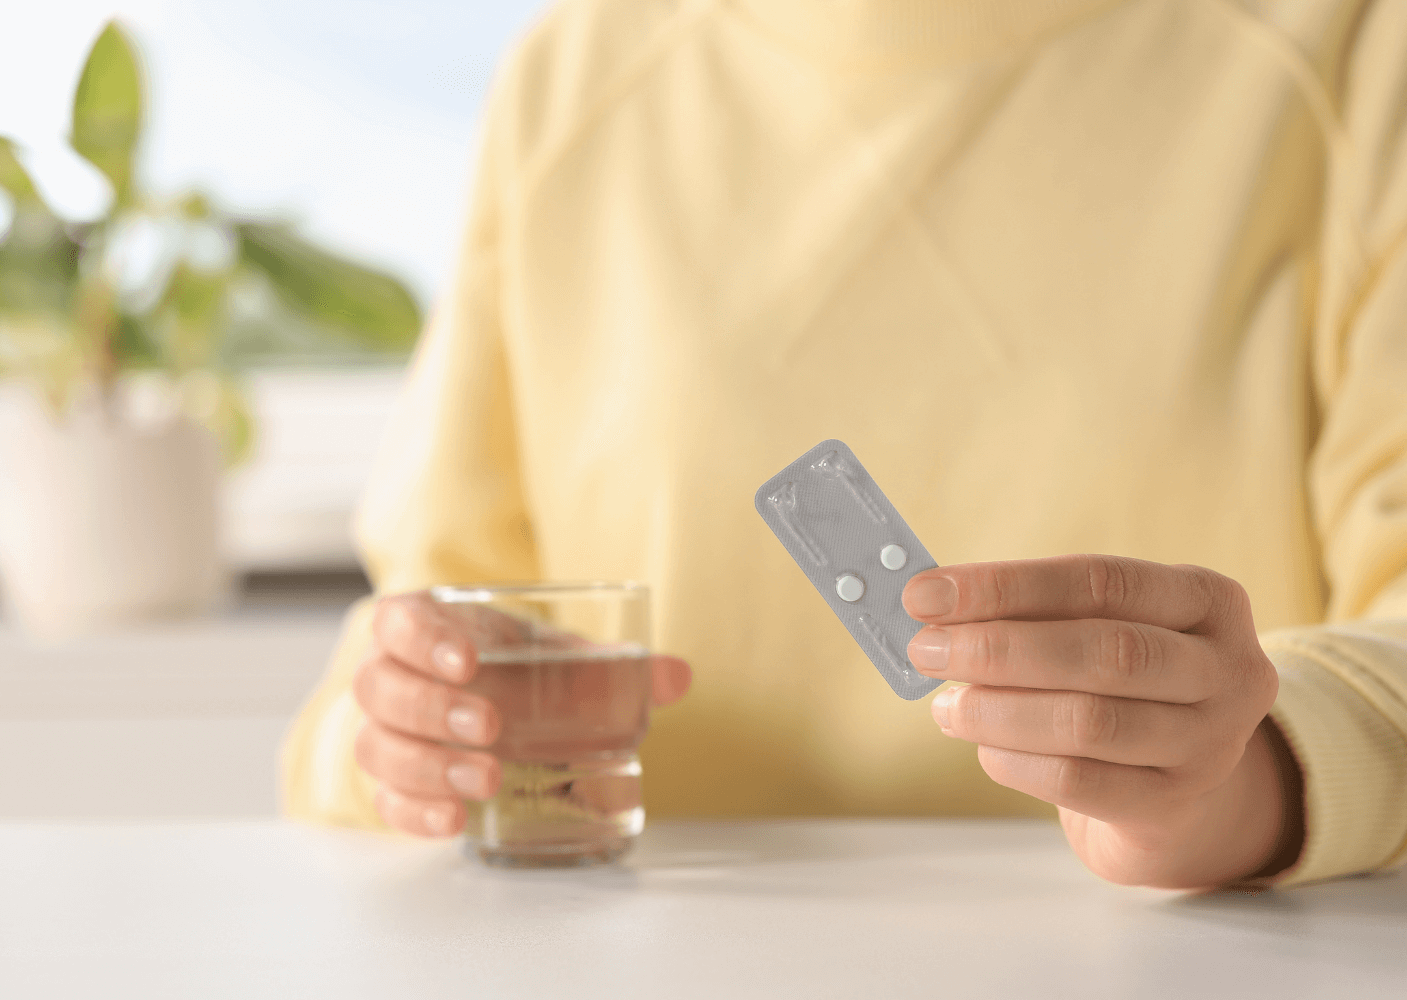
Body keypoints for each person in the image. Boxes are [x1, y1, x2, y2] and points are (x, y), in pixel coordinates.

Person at [282, 0, 1407, 889]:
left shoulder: (1353, 50)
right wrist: (413, 733)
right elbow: (412, 640)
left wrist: (1247, 780)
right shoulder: (569, 74)